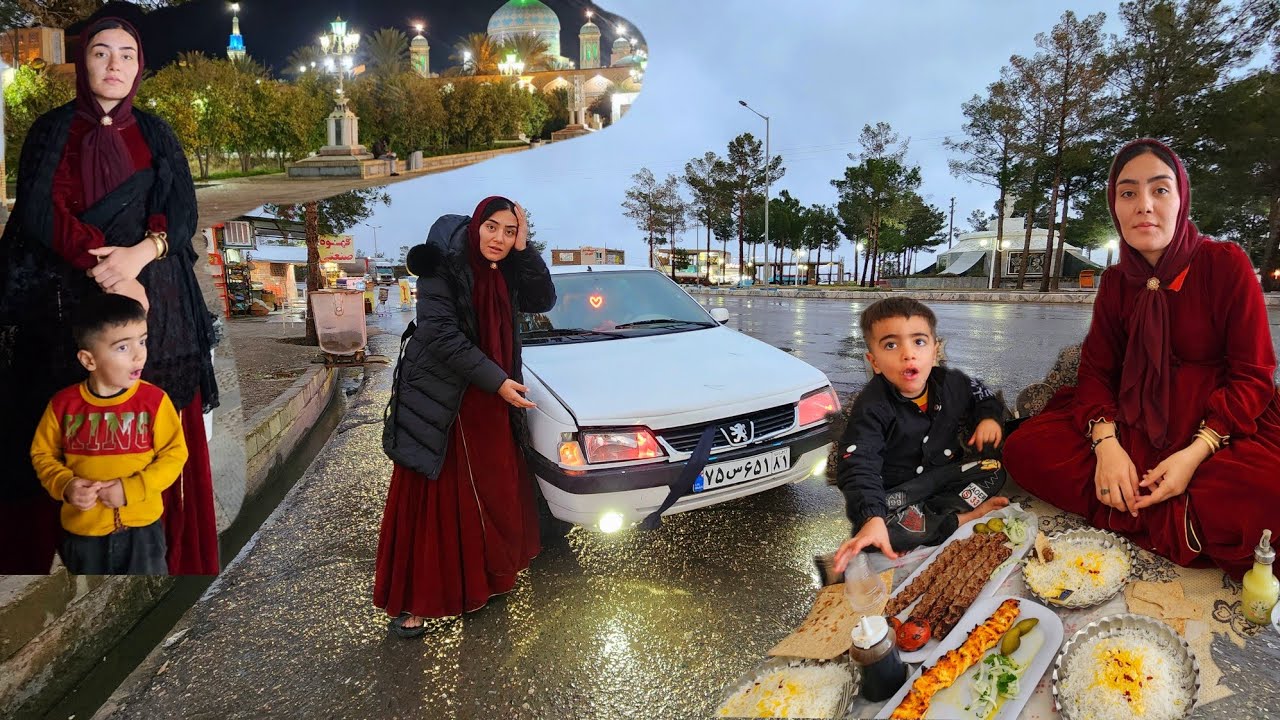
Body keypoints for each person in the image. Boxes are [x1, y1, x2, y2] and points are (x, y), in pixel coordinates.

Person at [0, 17, 220, 575]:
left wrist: (139, 257)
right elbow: (38, 209)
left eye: (126, 54)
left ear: (139, 65)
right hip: (66, 302)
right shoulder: (51, 131)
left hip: (153, 302)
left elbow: (182, 211)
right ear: (83, 63)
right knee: (65, 418)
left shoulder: (156, 133)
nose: (114, 65)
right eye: (101, 53)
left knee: (152, 417)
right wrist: (102, 263)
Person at [1004, 139, 1280, 581]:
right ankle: (1175, 514)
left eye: (1160, 190)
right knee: (1023, 449)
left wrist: (1194, 455)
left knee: (1266, 494)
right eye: (1128, 192)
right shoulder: (1116, 282)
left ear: (1181, 198)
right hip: (1133, 421)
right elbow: (1097, 370)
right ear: (1115, 205)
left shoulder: (1223, 264)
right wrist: (1106, 446)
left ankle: (1135, 508)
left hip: (1216, 427)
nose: (1144, 206)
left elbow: (1254, 375)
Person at [376, 196, 556, 637]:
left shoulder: (508, 265)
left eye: (510, 231)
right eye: (492, 227)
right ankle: (418, 600)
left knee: (492, 490)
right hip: (446, 396)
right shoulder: (441, 266)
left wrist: (526, 250)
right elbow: (440, 335)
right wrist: (496, 381)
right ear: (476, 226)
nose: (499, 238)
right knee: (438, 497)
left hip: (494, 394)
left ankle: (488, 579)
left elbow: (544, 298)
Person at [832, 297, 1010, 572]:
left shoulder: (950, 382)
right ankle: (962, 519)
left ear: (935, 351)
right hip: (898, 493)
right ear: (874, 361)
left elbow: (981, 393)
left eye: (919, 342)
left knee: (994, 470)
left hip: (942, 477)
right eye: (891, 345)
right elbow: (859, 462)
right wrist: (871, 516)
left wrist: (988, 417)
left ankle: (936, 514)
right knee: (881, 532)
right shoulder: (872, 405)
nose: (908, 354)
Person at [32, 295, 188, 575]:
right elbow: (42, 454)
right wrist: (66, 485)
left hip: (143, 532)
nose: (139, 355)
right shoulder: (63, 405)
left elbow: (175, 455)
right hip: (83, 533)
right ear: (89, 360)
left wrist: (131, 489)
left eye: (142, 341)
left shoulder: (155, 401)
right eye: (122, 347)